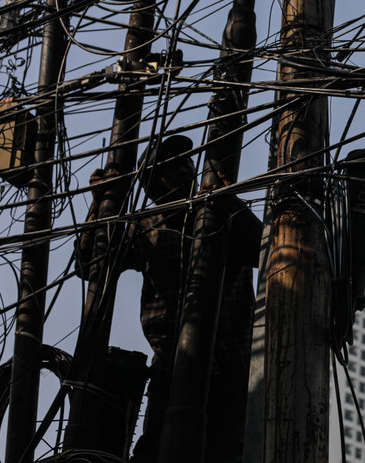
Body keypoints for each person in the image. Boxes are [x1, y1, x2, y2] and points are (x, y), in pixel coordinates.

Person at [76, 135, 262, 463]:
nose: (185, 170)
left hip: (233, 370)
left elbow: (268, 251)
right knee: (156, 451)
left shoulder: (220, 212)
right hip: (171, 368)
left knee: (227, 452)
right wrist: (101, 205)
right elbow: (89, 265)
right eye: (171, 167)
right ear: (154, 184)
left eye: (186, 162)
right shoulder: (146, 226)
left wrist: (233, 205)